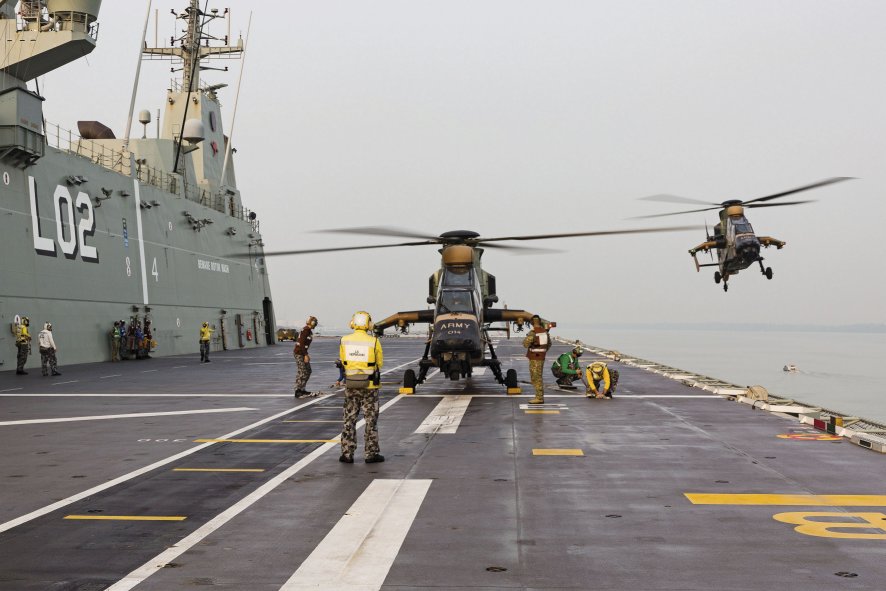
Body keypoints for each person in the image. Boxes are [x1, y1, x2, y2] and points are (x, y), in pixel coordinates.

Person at [339, 311, 384, 464]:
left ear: (353, 323)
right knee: (371, 421)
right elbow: (380, 363)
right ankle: (371, 454)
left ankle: (347, 454)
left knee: (349, 419)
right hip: (370, 387)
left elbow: (343, 361)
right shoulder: (374, 341)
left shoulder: (344, 340)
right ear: (368, 324)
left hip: (351, 385)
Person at [522, 315, 552, 404]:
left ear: (532, 323)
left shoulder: (533, 332)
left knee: (536, 377)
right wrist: (543, 351)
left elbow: (525, 344)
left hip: (534, 358)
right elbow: (549, 344)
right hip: (541, 357)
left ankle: (539, 398)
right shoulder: (545, 332)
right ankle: (539, 396)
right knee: (538, 376)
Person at [293, 315, 317, 397]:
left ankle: (302, 389)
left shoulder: (308, 330)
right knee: (302, 371)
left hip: (302, 353)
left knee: (308, 371)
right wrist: (306, 355)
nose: (316, 324)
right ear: (312, 323)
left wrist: (305, 354)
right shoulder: (306, 330)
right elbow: (301, 344)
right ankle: (298, 390)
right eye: (315, 322)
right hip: (299, 353)